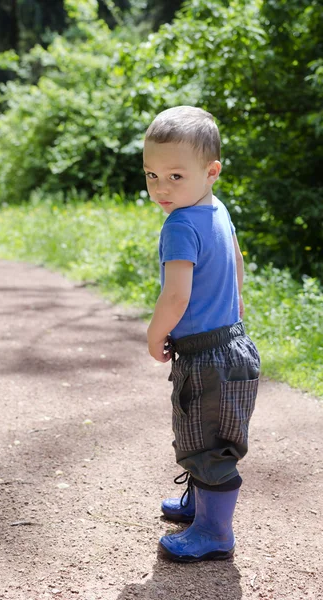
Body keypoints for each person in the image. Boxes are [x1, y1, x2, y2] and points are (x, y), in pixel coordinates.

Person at [144, 105, 261, 563]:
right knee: (206, 430)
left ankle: (214, 531)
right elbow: (237, 264)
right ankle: (200, 506)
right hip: (234, 342)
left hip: (206, 356)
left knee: (205, 440)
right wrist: (237, 307)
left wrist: (156, 335)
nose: (161, 188)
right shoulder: (217, 208)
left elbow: (175, 296)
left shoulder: (178, 225)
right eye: (152, 175)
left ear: (211, 171)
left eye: (175, 176)